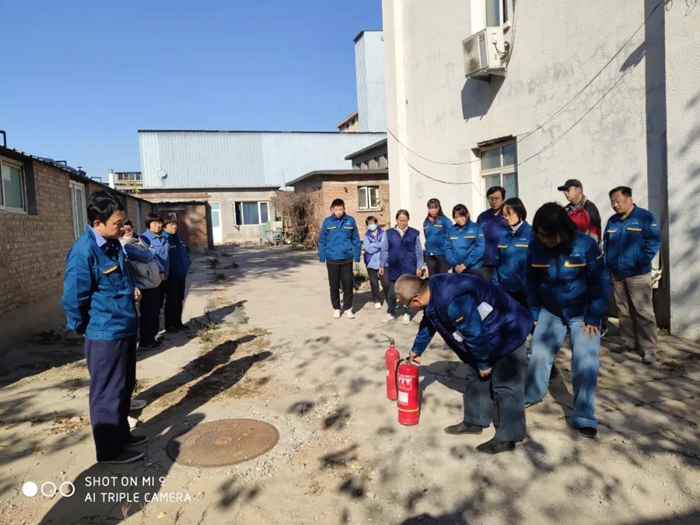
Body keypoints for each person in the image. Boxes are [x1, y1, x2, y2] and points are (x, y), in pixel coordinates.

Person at [398, 274, 531, 454]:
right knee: (474, 375)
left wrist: (484, 363)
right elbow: (429, 320)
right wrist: (417, 349)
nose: (408, 308)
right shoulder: (430, 290)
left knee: (506, 385)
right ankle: (475, 421)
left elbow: (475, 334)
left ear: (416, 299)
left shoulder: (453, 300)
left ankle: (508, 437)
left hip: (508, 329)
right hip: (485, 332)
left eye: (406, 305)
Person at [61, 191, 147, 464]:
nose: (122, 227)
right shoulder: (84, 251)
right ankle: (109, 451)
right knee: (107, 393)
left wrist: (132, 290)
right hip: (104, 333)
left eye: (122, 222)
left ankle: (121, 436)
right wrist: (85, 327)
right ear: (97, 223)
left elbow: (118, 279)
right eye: (117, 223)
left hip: (124, 326)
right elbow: (73, 298)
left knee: (122, 387)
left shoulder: (112, 244)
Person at [525, 203, 610, 439]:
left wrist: (595, 315)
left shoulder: (585, 246)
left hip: (583, 313)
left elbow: (600, 283)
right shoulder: (536, 247)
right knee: (538, 353)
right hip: (551, 310)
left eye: (547, 235)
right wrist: (533, 312)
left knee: (585, 361)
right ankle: (533, 393)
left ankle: (584, 415)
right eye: (540, 235)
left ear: (561, 230)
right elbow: (531, 281)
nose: (543, 240)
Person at [604, 186, 661, 364]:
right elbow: (606, 243)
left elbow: (654, 242)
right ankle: (628, 342)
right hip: (617, 273)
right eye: (612, 202)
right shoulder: (613, 221)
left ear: (629, 199)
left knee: (643, 312)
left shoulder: (645, 217)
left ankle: (649, 348)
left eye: (618, 201)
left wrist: (641, 261)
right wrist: (608, 262)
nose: (615, 205)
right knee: (623, 310)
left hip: (638, 274)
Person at [119, 219, 162, 422]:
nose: (125, 229)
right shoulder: (123, 245)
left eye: (127, 225)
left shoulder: (134, 242)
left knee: (128, 365)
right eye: (121, 226)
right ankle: (118, 414)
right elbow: (146, 256)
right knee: (116, 369)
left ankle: (127, 402)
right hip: (110, 320)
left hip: (132, 302)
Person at [318, 199, 361, 319]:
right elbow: (322, 240)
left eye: (341, 209)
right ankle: (336, 308)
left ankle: (348, 308)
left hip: (347, 258)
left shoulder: (350, 221)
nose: (338, 212)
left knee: (348, 285)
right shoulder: (327, 222)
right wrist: (322, 256)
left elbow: (356, 239)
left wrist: (357, 255)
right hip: (332, 258)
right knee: (334, 285)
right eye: (336, 209)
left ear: (344, 209)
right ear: (332, 209)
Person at [380, 209, 424, 325]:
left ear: (408, 220)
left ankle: (407, 313)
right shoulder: (389, 233)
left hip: (409, 267)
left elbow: (419, 252)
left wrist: (419, 267)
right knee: (391, 293)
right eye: (400, 220)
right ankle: (391, 312)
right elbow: (384, 250)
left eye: (405, 220)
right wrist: (381, 265)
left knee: (408, 292)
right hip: (394, 267)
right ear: (396, 220)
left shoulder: (414, 233)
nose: (403, 223)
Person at [492, 198, 532, 309]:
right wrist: (496, 284)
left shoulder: (531, 233)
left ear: (519, 212)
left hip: (525, 291)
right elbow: (497, 261)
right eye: (504, 215)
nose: (507, 218)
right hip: (505, 289)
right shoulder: (504, 235)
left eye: (509, 214)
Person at [139, 213, 170, 350]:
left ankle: (154, 335)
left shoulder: (164, 237)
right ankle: (147, 338)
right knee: (149, 310)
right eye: (154, 223)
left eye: (159, 223)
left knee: (158, 307)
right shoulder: (143, 239)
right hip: (151, 279)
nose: (157, 225)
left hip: (164, 277)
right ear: (148, 224)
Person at [163, 218, 191, 332]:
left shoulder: (178, 238)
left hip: (181, 273)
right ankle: (169, 325)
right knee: (171, 300)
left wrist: (188, 263)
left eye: (174, 224)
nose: (173, 227)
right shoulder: (164, 239)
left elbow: (184, 253)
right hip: (170, 275)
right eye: (170, 225)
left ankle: (178, 322)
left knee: (179, 298)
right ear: (164, 227)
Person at [477, 186, 509, 282]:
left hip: (504, 262)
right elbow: (476, 238)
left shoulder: (508, 216)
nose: (494, 201)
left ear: (503, 199)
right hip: (486, 263)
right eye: (491, 199)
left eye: (497, 198)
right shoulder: (482, 217)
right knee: (486, 289)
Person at [445, 204, 485, 278]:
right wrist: (455, 265)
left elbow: (480, 248)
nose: (459, 219)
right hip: (457, 269)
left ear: (467, 214)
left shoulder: (476, 228)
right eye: (456, 217)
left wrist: (465, 264)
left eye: (461, 216)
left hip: (473, 268)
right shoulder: (451, 230)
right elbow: (447, 249)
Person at [363, 216, 389, 309]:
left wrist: (373, 244)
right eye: (369, 224)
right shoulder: (366, 236)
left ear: (376, 223)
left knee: (385, 282)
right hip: (371, 262)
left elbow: (385, 245)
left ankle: (388, 297)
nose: (371, 225)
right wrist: (379, 246)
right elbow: (368, 249)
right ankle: (377, 299)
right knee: (374, 283)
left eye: (373, 223)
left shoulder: (383, 233)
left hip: (383, 261)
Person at [423, 198, 452, 276]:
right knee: (432, 278)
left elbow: (450, 237)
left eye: (434, 208)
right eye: (430, 208)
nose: (432, 210)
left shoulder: (445, 221)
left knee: (442, 278)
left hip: (442, 254)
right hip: (430, 255)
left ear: (438, 208)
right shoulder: (426, 222)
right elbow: (427, 237)